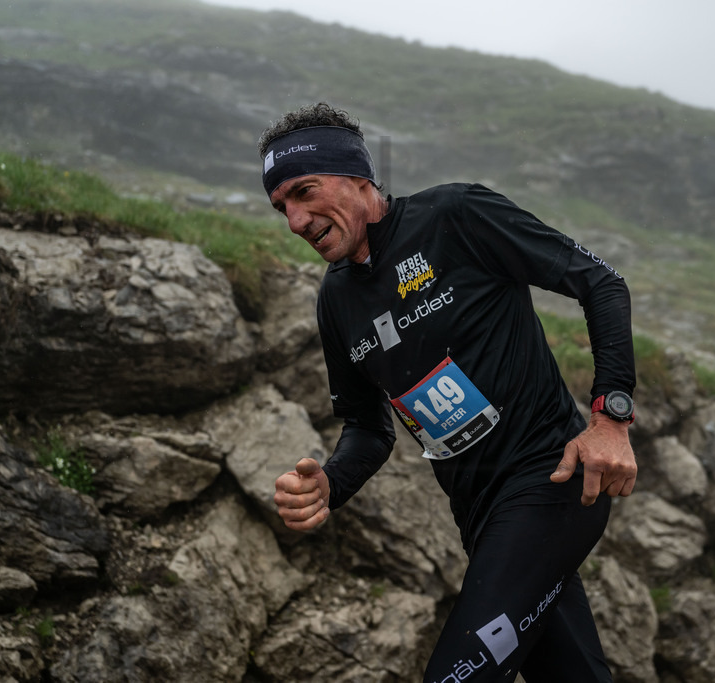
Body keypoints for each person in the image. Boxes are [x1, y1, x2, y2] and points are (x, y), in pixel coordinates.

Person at [265, 103, 637, 682]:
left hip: (550, 481)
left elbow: (600, 283)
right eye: (281, 206)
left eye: (304, 192)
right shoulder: (336, 301)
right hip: (479, 518)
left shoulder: (454, 215)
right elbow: (367, 428)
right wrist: (330, 484)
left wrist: (610, 418)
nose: (295, 220)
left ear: (358, 177)